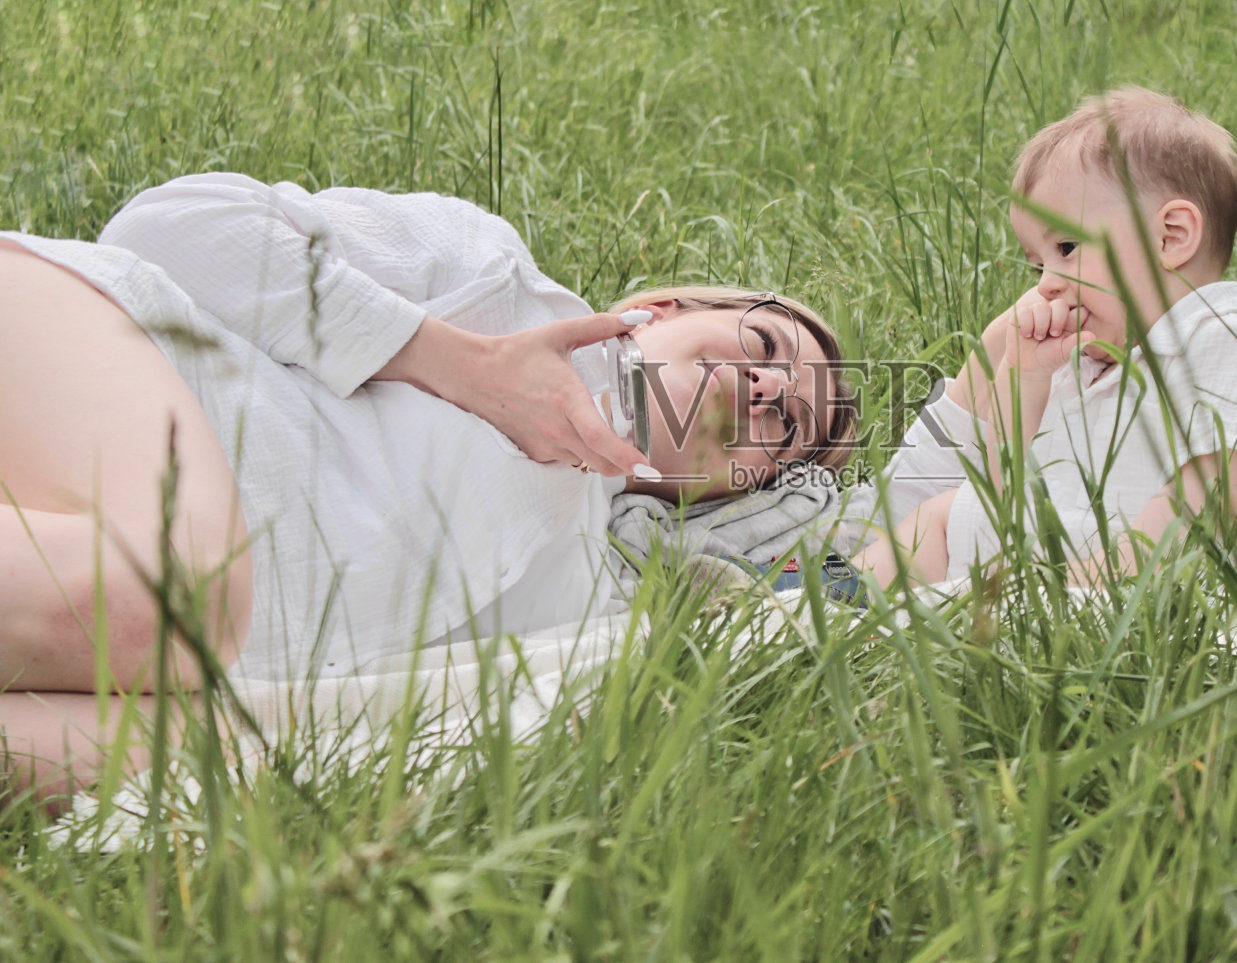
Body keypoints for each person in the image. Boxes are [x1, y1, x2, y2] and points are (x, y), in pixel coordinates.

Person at [1, 172, 856, 801]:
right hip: (88, 345)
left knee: (201, 748)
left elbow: (903, 550)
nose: (772, 392)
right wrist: (458, 361)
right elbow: (167, 225)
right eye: (769, 347)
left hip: (125, 628)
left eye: (787, 432)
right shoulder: (494, 278)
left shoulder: (595, 611)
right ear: (665, 309)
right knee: (181, 592)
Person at [856, 87, 1237, 586]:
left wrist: (1059, 588)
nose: (1046, 283)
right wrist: (1025, 376)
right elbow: (997, 492)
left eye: (1066, 247)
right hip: (1061, 568)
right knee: (945, 515)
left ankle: (819, 598)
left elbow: (1192, 528)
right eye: (1039, 263)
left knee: (942, 524)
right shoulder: (1082, 360)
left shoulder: (1220, 348)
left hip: (1142, 594)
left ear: (1170, 237)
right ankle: (812, 593)